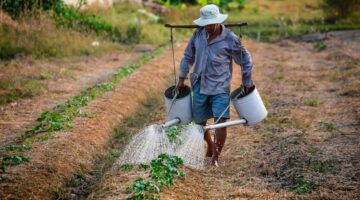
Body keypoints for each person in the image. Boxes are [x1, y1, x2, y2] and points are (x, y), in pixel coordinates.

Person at [176, 4, 254, 167]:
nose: (208, 27)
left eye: (211, 24)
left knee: (221, 122)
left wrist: (247, 81)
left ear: (218, 21)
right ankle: (210, 144)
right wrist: (182, 77)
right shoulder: (198, 35)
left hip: (220, 86)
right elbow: (188, 56)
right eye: (206, 24)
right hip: (199, 84)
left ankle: (215, 157)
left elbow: (246, 60)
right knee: (199, 123)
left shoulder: (230, 39)